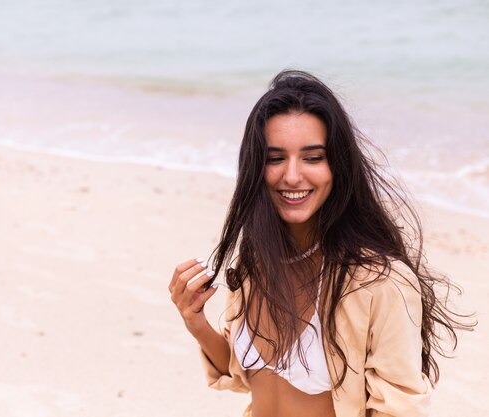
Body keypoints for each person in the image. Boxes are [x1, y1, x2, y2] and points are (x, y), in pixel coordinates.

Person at [168, 70, 472, 417]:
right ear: (256, 166)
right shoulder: (255, 263)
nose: (293, 175)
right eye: (275, 158)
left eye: (313, 158)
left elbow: (398, 410)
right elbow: (248, 376)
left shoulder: (380, 282)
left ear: (337, 166)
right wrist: (196, 322)